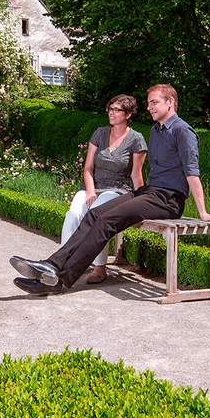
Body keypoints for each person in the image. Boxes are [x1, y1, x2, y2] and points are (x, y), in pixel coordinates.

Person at [10, 83, 210, 295]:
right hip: (149, 193)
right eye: (148, 103)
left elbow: (192, 173)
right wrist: (138, 197)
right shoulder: (156, 131)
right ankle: (51, 265)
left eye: (154, 102)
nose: (149, 107)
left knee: (107, 220)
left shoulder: (183, 131)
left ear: (170, 102)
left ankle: (59, 280)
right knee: (94, 214)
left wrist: (202, 212)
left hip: (168, 199)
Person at [60, 94, 147, 284]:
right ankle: (63, 262)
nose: (111, 113)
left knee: (98, 215)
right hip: (92, 187)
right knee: (73, 214)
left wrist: (142, 201)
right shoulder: (99, 133)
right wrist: (90, 190)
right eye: (110, 109)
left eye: (117, 110)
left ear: (128, 114)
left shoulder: (136, 139)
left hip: (118, 190)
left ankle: (99, 267)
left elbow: (136, 175)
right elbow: (88, 168)